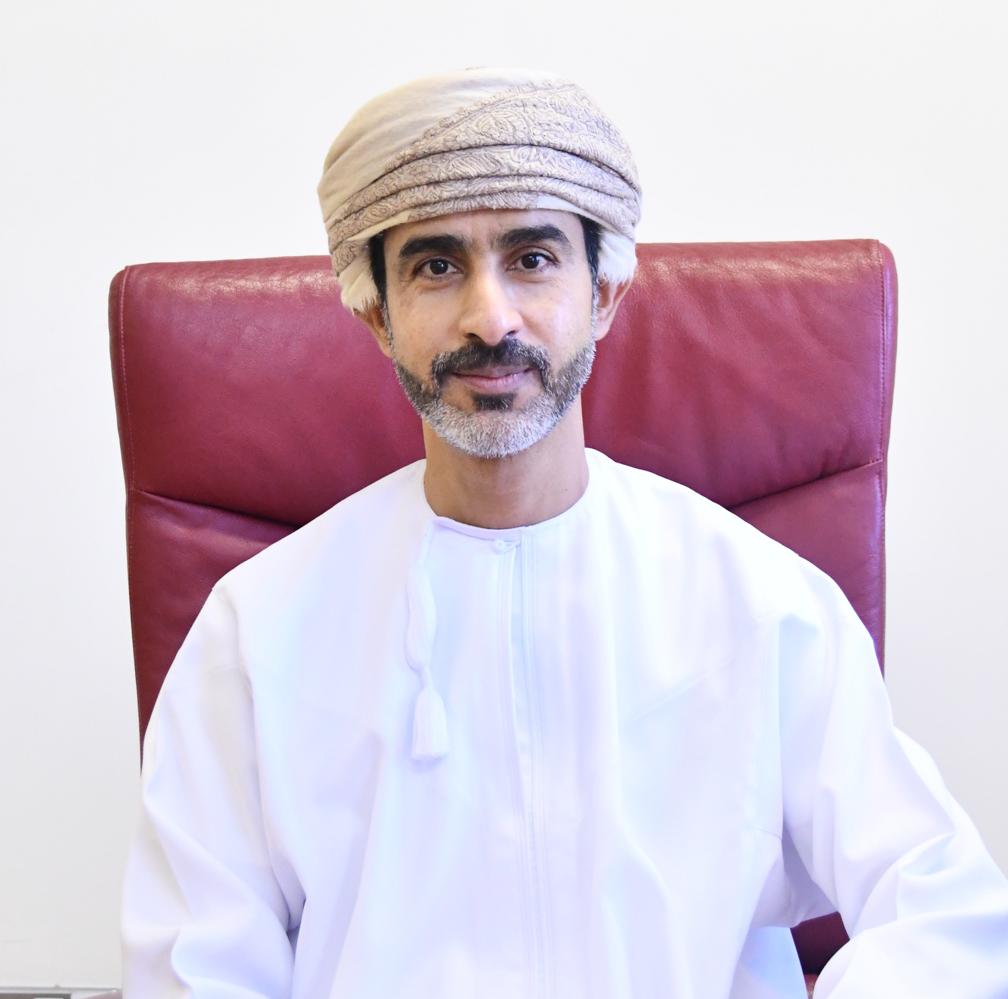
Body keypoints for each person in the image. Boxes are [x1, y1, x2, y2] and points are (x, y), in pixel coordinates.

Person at [120, 68, 1008, 998]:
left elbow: (946, 909)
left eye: (533, 258)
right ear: (377, 313)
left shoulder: (760, 603)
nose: (489, 317)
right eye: (436, 266)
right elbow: (193, 967)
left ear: (606, 292)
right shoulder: (257, 631)